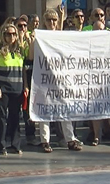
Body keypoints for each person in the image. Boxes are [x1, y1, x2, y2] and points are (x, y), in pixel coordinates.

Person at [36, 8, 83, 153]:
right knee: (45, 110)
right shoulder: (39, 36)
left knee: (65, 108)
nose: (52, 23)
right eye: (49, 20)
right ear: (44, 21)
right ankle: (45, 140)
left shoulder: (60, 35)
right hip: (45, 78)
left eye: (54, 20)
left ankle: (70, 139)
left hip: (61, 78)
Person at [0, 23, 28, 155]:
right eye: (8, 34)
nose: (11, 36)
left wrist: (25, 86)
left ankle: (15, 144)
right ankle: (1, 144)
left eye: (13, 34)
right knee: (2, 118)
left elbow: (23, 70)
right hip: (3, 88)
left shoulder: (20, 50)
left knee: (15, 117)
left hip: (17, 88)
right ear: (4, 35)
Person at [88, 20, 110, 146]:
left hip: (109, 78)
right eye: (97, 30)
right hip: (94, 78)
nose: (99, 32)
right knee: (96, 109)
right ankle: (96, 136)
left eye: (101, 30)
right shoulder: (89, 43)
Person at [22, 14, 40, 145]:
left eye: (38, 22)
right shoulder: (25, 36)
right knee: (26, 106)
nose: (36, 24)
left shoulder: (40, 34)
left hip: (39, 72)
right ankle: (29, 133)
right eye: (34, 21)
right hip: (26, 71)